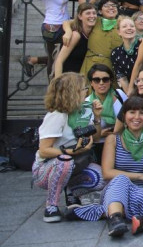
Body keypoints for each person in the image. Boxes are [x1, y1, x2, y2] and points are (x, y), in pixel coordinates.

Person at [72, 96, 143, 238]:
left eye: (142, 113)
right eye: (132, 112)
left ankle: (104, 212)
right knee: (120, 179)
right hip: (117, 189)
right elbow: (107, 173)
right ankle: (115, 220)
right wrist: (141, 176)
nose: (136, 117)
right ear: (124, 116)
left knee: (142, 196)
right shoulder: (113, 139)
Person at [32, 73, 105, 223]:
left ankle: (71, 192)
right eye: (83, 89)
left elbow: (96, 138)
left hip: (76, 163)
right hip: (46, 168)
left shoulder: (82, 112)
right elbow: (44, 150)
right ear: (72, 93)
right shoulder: (57, 116)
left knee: (101, 179)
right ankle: (51, 206)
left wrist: (97, 117)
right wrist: (71, 151)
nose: (86, 92)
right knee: (65, 161)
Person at [24, 0, 68, 77]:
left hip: (63, 26)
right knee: (55, 59)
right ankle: (53, 89)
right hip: (52, 28)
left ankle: (33, 60)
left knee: (63, 56)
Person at [63, 0, 122, 75]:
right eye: (107, 6)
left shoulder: (122, 23)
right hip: (92, 65)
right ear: (100, 11)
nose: (111, 7)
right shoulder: (95, 20)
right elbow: (68, 22)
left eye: (114, 5)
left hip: (112, 66)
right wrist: (68, 31)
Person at [86, 64, 128, 152]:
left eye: (105, 79)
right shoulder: (87, 103)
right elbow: (84, 132)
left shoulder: (120, 94)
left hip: (122, 142)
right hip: (98, 146)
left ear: (111, 81)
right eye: (97, 80)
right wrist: (100, 134)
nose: (101, 83)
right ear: (91, 83)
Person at [54, 3, 96, 77]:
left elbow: (67, 22)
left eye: (94, 13)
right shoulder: (75, 35)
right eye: (88, 13)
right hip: (69, 77)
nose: (92, 16)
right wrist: (58, 83)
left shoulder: (93, 33)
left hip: (82, 77)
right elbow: (59, 61)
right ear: (80, 16)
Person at [110, 16, 139, 90]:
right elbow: (121, 77)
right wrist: (129, 95)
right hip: (128, 91)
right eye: (124, 26)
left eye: (132, 26)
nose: (129, 28)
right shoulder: (115, 53)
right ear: (119, 32)